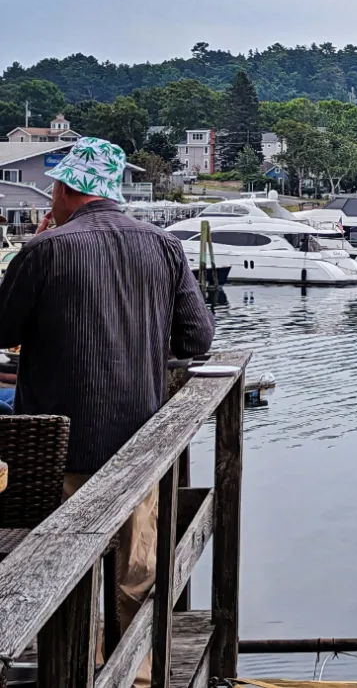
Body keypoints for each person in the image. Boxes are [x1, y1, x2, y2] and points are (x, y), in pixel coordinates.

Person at [0, 137, 214, 687]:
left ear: (69, 190)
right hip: (138, 441)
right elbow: (197, 338)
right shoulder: (163, 245)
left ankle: (67, 671)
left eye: (54, 192)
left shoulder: (45, 250)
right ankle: (136, 675)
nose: (50, 202)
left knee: (61, 568)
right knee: (137, 568)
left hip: (59, 446)